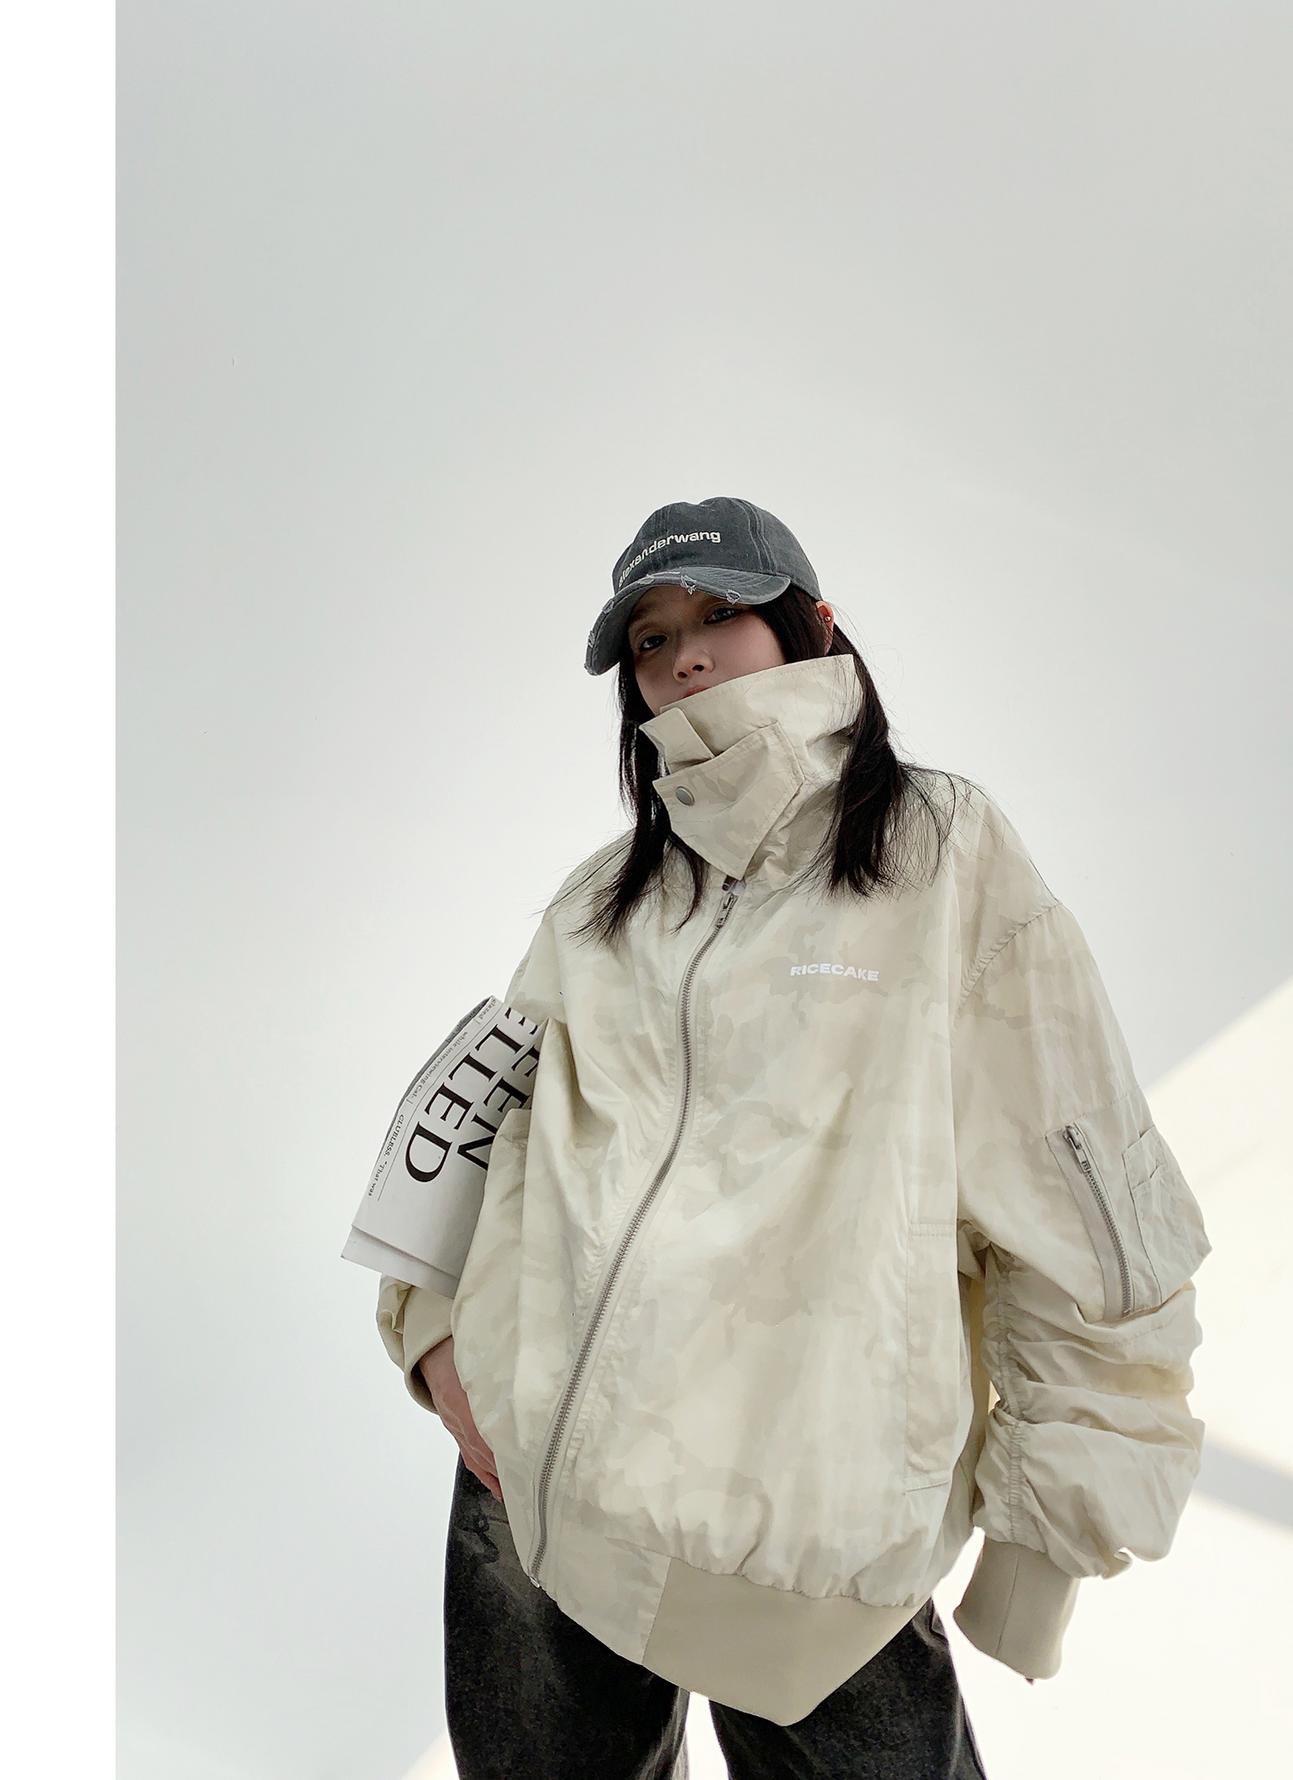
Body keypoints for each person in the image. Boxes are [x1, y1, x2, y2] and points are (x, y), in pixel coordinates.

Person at [375, 497, 1211, 1779]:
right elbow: (477, 1123)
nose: (685, 656)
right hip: (532, 1496)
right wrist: (437, 1337)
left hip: (810, 1553)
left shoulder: (940, 854)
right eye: (651, 638)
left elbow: (1086, 1203)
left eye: (720, 613)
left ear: (810, 625)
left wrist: (1045, 1543)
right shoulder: (601, 902)